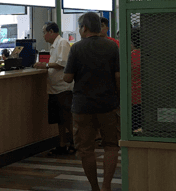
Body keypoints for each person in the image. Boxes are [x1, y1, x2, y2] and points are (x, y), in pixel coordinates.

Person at [63, 12, 120, 191]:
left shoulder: (77, 48)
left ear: (84, 28)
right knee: (111, 145)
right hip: (108, 104)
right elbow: (118, 76)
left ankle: (94, 187)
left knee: (86, 149)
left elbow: (67, 78)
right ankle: (106, 186)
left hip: (82, 106)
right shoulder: (112, 47)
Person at [33, 22, 75, 155]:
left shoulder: (62, 43)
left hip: (63, 88)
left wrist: (44, 65)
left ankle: (76, 143)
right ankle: (62, 144)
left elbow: (62, 64)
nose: (43, 36)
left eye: (44, 32)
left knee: (67, 119)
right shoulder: (53, 46)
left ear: (51, 32)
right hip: (54, 88)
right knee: (59, 120)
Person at [130, 27, 142, 132]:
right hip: (151, 98)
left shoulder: (130, 57)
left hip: (134, 97)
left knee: (135, 129)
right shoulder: (151, 56)